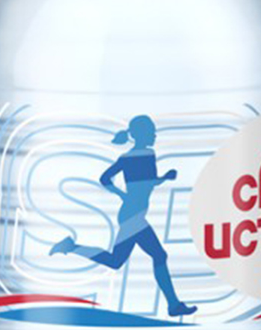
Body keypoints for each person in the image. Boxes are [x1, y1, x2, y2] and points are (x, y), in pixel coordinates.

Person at [51, 114, 197, 318]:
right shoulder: (145, 155)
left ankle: (71, 247)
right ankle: (173, 305)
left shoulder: (130, 156)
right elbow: (143, 183)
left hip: (132, 213)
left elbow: (119, 180)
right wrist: (162, 179)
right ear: (142, 134)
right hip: (133, 216)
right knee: (156, 256)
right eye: (152, 131)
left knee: (117, 260)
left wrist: (125, 193)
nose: (155, 134)